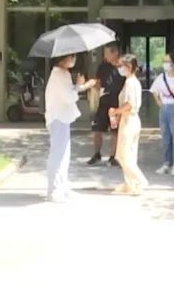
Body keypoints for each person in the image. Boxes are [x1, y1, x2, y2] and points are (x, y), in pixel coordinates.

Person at [44, 54, 91, 202]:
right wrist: (79, 86)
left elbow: (69, 94)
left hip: (62, 118)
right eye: (71, 57)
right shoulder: (59, 75)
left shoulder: (63, 74)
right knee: (58, 155)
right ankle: (53, 190)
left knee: (64, 155)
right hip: (58, 118)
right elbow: (69, 97)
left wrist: (79, 86)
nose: (74, 59)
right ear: (62, 58)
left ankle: (62, 187)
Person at [109, 54, 148, 195]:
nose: (118, 68)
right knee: (126, 154)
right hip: (128, 119)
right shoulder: (129, 82)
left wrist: (115, 111)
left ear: (129, 67)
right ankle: (129, 184)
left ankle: (139, 181)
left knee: (125, 155)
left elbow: (129, 104)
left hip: (130, 119)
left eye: (121, 66)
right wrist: (117, 116)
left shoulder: (131, 83)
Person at [87, 44, 123, 167]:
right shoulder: (103, 66)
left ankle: (113, 156)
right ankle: (97, 154)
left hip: (116, 104)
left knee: (114, 130)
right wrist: (95, 88)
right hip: (103, 103)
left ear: (115, 53)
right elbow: (98, 82)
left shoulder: (122, 67)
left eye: (107, 53)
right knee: (97, 129)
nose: (105, 56)